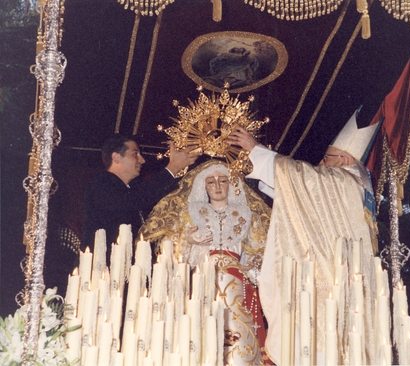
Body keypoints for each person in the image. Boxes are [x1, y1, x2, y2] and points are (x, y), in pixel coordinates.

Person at [227, 108, 381, 365]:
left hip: (329, 289)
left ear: (344, 160)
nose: (321, 164)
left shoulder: (347, 182)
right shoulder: (357, 188)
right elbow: (308, 202)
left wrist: (256, 149)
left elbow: (304, 180)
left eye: (326, 158)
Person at [140, 160, 272, 365]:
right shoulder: (191, 213)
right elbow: (170, 248)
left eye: (223, 181)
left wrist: (253, 264)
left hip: (236, 282)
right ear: (204, 185)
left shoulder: (246, 214)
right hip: (202, 280)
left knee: (238, 339)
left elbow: (259, 250)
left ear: (232, 184)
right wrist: (188, 240)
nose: (217, 186)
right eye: (211, 182)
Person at [81, 134, 201, 257]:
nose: (142, 160)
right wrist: (173, 167)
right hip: (103, 266)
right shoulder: (102, 182)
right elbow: (133, 200)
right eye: (135, 154)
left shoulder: (134, 189)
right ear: (116, 157)